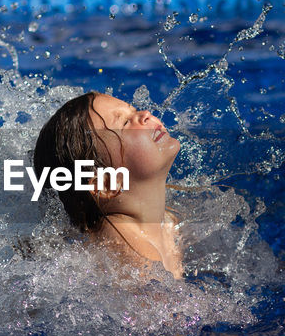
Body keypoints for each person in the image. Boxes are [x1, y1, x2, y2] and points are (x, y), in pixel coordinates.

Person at [31, 92, 184, 279]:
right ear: (107, 183)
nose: (144, 114)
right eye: (126, 123)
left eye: (133, 110)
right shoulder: (124, 246)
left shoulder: (169, 221)